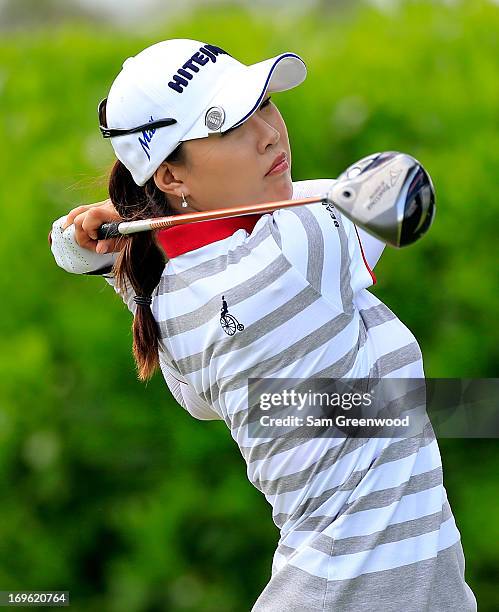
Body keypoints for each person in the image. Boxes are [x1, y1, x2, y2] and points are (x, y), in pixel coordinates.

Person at [49, 39, 476, 611]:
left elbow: (195, 397)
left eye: (263, 106)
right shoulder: (296, 247)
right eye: (227, 127)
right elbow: (392, 186)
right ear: (172, 175)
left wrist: (103, 241)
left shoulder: (170, 294)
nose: (269, 133)